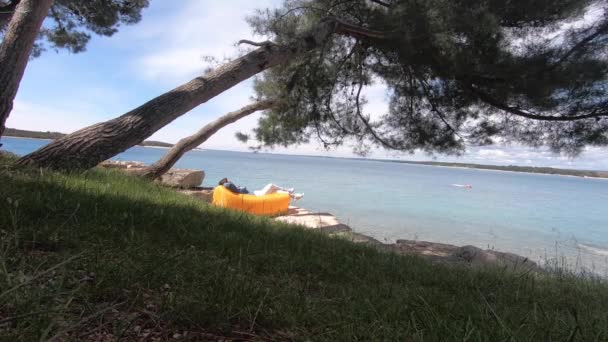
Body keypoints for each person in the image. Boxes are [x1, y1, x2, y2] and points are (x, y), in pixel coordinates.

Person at [218, 178, 303, 200]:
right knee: (271, 185)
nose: (229, 180)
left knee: (276, 190)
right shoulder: (231, 186)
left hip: (256, 193)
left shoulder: (235, 188)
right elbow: (227, 185)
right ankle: (289, 191)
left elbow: (228, 185)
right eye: (228, 180)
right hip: (256, 196)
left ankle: (293, 196)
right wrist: (225, 182)